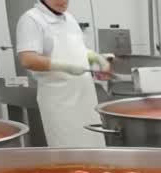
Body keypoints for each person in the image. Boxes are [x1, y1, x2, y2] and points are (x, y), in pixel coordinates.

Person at [16, 0, 111, 148]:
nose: (62, 1)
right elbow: (27, 59)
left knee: (94, 145)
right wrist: (65, 66)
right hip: (60, 102)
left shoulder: (69, 18)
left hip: (85, 98)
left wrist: (96, 58)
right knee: (69, 150)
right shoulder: (31, 19)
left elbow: (78, 50)